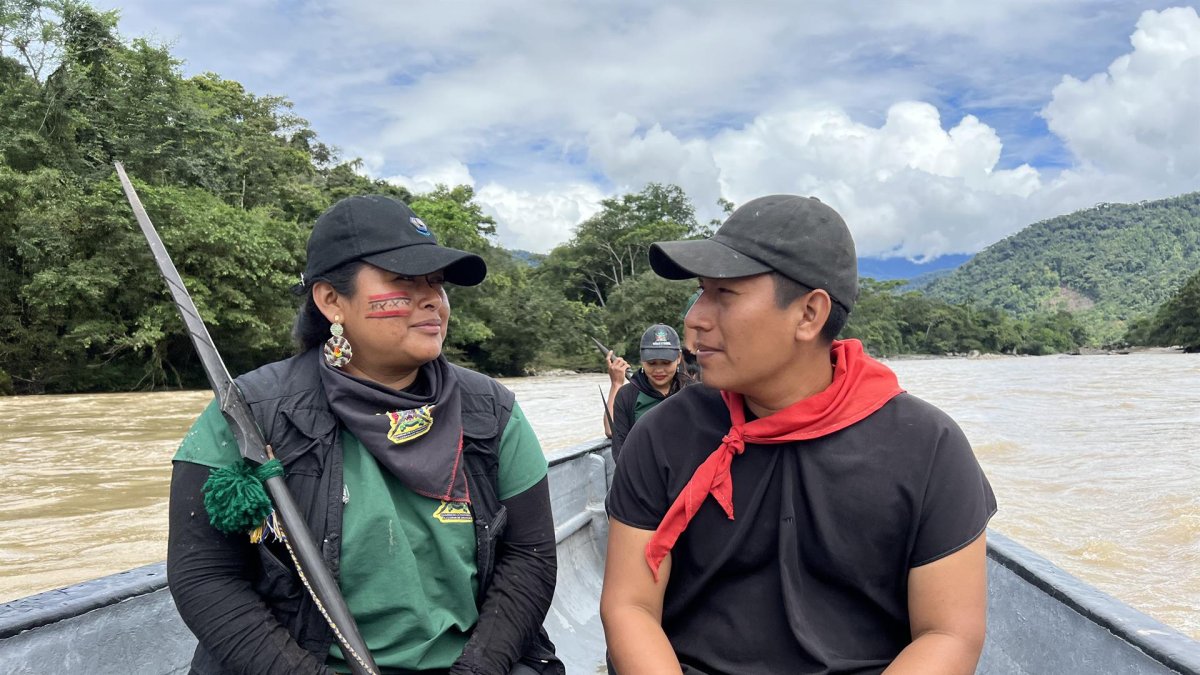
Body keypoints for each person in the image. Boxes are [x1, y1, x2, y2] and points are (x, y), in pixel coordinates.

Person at [600, 195, 996, 674]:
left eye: (724, 295)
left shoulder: (927, 447)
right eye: (702, 292)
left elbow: (948, 632)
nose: (695, 319)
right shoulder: (664, 435)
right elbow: (631, 606)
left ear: (809, 314)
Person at [168, 195, 563, 675]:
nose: (432, 300)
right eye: (402, 281)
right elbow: (204, 577)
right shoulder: (251, 413)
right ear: (331, 300)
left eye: (436, 283)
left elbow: (530, 557)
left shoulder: (491, 410)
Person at [602, 324, 692, 461]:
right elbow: (613, 433)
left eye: (666, 362)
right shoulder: (628, 395)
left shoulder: (693, 391)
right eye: (652, 363)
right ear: (642, 359)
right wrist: (616, 384)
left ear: (678, 358)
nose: (659, 370)